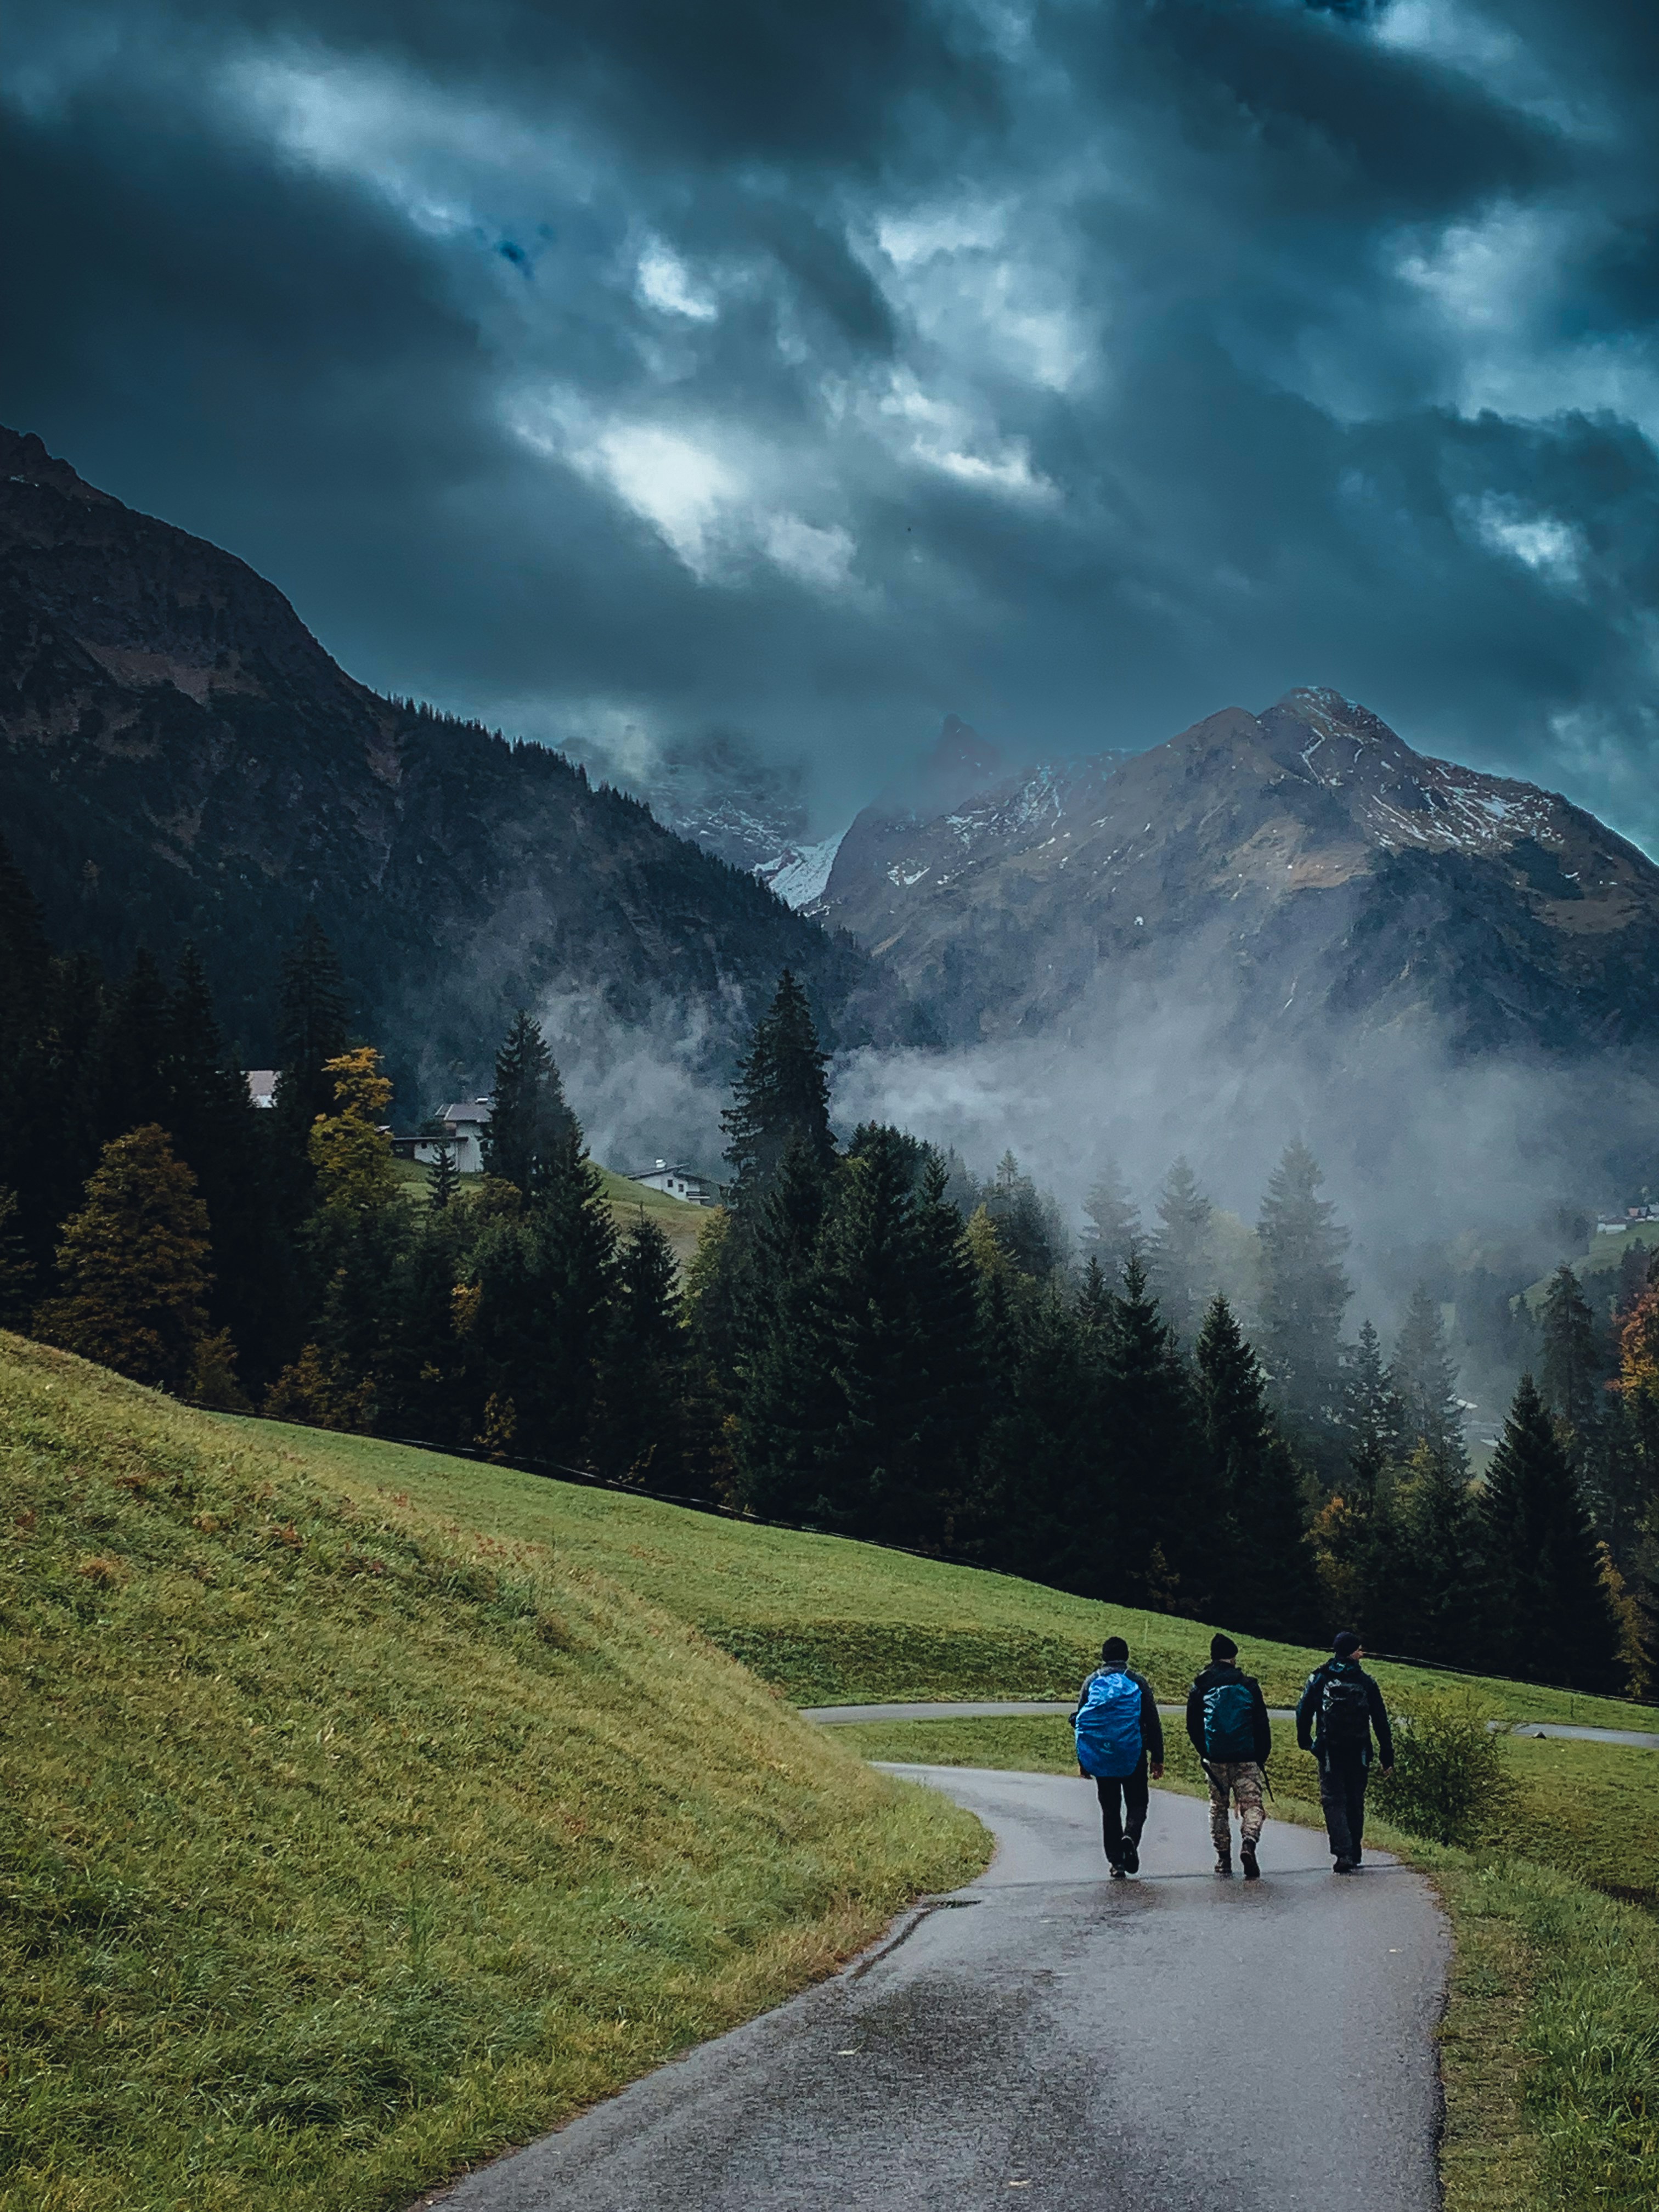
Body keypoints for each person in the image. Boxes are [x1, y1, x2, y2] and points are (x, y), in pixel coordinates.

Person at [1295, 1631, 1395, 1874]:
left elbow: (1303, 1710)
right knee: (1355, 1799)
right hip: (1359, 1750)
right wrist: (1387, 1756)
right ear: (1352, 1652)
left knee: (1333, 1800)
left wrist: (1305, 1740)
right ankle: (1355, 1851)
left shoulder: (1320, 1677)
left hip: (1330, 1750)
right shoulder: (1366, 1682)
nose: (1362, 1653)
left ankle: (1343, 1852)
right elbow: (1381, 1722)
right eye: (1360, 1649)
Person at [1073, 1635, 1165, 1877]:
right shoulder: (1137, 1682)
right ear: (1126, 1656)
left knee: (1110, 1809)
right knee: (1138, 1803)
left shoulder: (1091, 1681)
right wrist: (1158, 1756)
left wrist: (1084, 1761)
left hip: (1102, 1756)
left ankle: (1116, 1863)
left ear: (1103, 1657)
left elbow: (1083, 1726)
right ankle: (1130, 1836)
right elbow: (1152, 1721)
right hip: (1133, 1754)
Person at [1185, 1632, 1273, 1879]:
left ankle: (1223, 1859)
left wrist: (1205, 1750)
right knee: (1253, 1805)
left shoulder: (1200, 1685)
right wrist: (1260, 1755)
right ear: (1233, 1657)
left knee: (1218, 1807)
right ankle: (1249, 1843)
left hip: (1215, 1759)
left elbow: (1192, 1725)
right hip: (1246, 1756)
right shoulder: (1248, 1685)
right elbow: (1261, 1724)